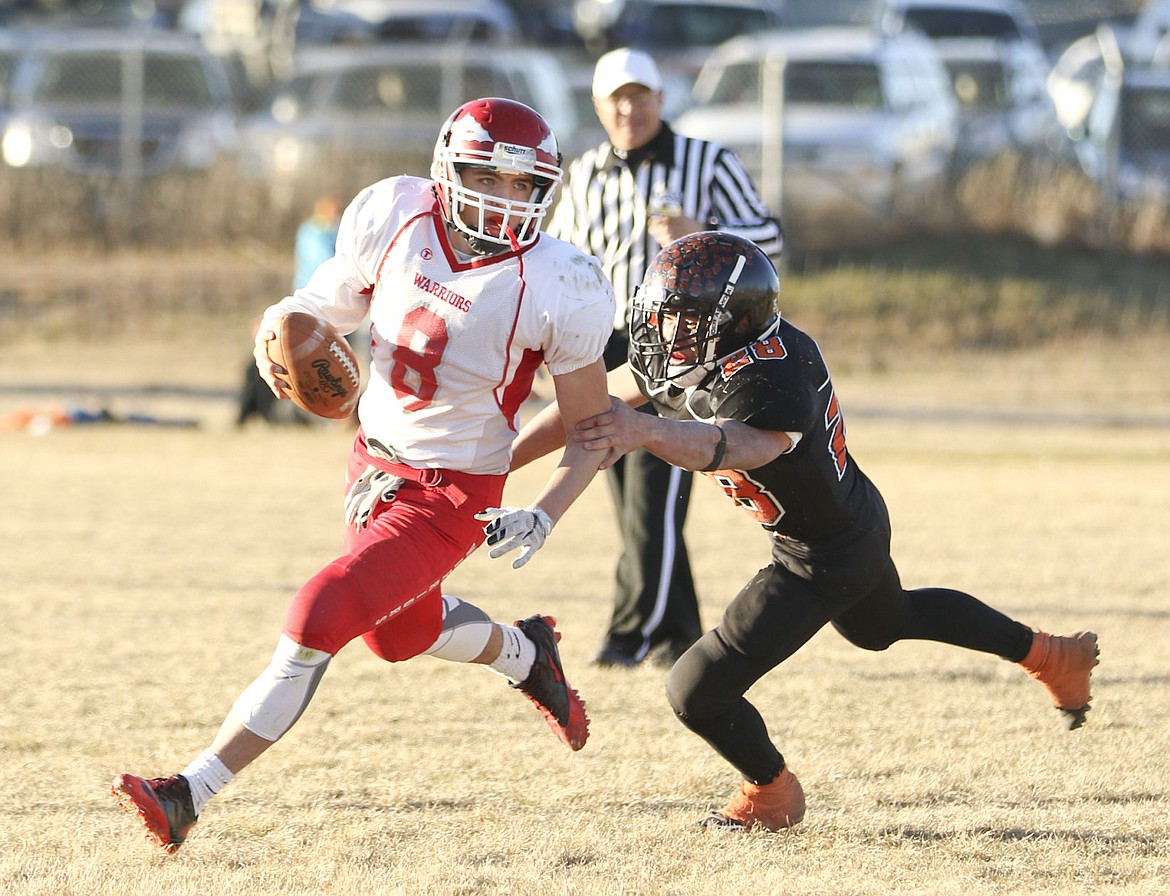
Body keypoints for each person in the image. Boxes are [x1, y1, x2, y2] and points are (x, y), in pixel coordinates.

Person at [111, 97, 617, 853]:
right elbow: (323, 305)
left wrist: (545, 507)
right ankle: (526, 652)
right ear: (449, 169)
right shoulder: (394, 211)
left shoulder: (560, 281)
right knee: (398, 635)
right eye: (490, 176)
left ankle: (190, 790)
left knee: (323, 611)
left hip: (453, 492)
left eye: (524, 186)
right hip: (373, 461)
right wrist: (278, 331)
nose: (508, 200)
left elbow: (591, 428)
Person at [509, 231, 1099, 832]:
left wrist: (646, 432)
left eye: (681, 322)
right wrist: (499, 460)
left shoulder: (776, 372)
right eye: (660, 318)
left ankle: (771, 794)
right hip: (851, 521)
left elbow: (744, 445)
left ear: (731, 323)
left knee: (695, 689)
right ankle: (1052, 655)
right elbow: (599, 403)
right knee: (885, 625)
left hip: (822, 556)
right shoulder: (714, 349)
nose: (665, 336)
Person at [546, 47, 783, 669]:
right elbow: (560, 260)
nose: (629, 109)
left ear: (660, 98)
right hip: (600, 344)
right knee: (626, 496)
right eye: (616, 99)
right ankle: (678, 636)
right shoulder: (586, 172)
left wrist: (704, 231)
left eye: (640, 95)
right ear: (599, 107)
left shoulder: (707, 160)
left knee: (656, 493)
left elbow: (771, 237)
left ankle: (628, 636)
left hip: (677, 342)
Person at [235, 193, 343, 426]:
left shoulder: (330, 233)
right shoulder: (314, 233)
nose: (337, 217)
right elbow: (328, 266)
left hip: (331, 304)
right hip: (314, 307)